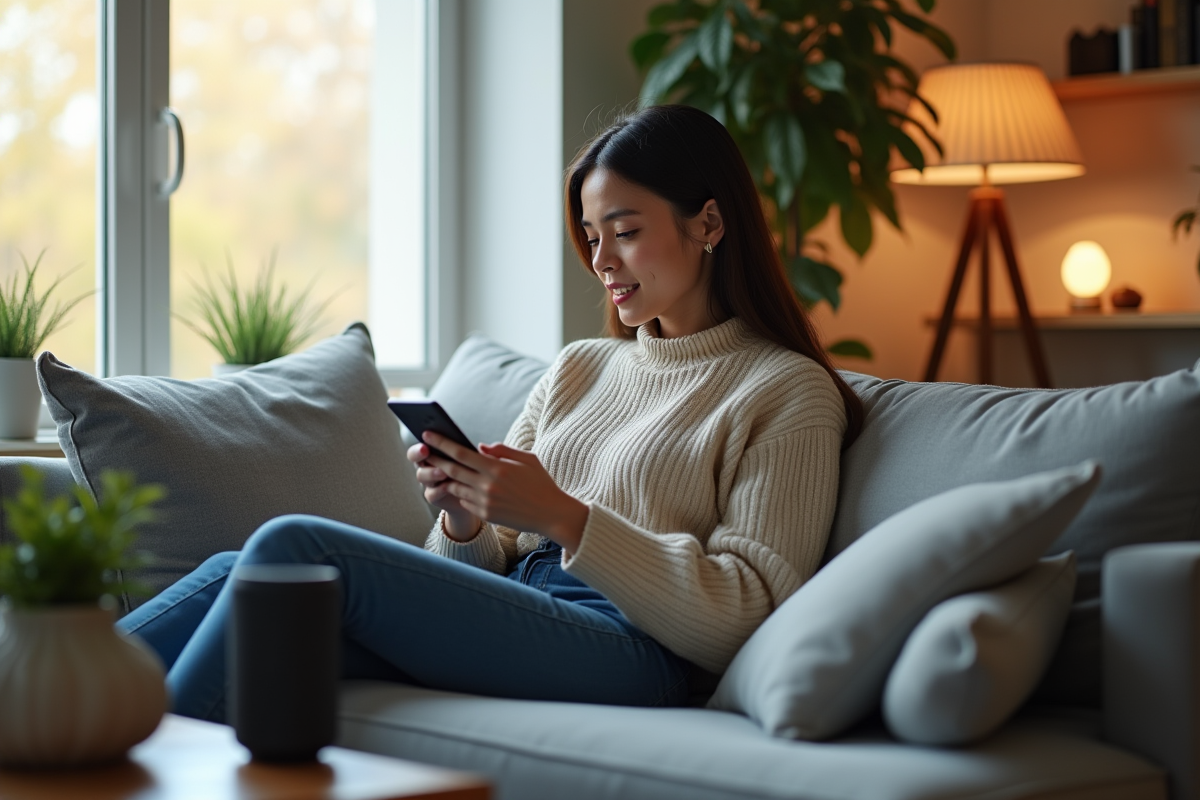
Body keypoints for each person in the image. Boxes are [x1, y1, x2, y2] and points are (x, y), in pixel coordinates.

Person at [118, 105, 864, 721]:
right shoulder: (580, 366)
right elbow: (479, 563)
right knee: (239, 578)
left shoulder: (786, 390)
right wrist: (465, 519)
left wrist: (568, 518)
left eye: (627, 231)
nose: (602, 260)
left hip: (634, 650)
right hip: (518, 614)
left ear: (708, 224)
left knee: (296, 546)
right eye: (592, 235)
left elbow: (748, 611)